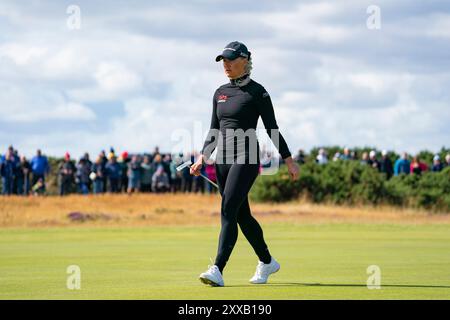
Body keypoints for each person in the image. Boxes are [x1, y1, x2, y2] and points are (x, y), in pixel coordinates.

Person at [190, 41, 299, 287]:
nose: (226, 65)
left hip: (247, 158)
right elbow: (213, 130)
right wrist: (202, 158)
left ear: (245, 60)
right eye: (223, 61)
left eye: (230, 60)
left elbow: (272, 129)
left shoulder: (258, 92)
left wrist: (289, 160)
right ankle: (267, 261)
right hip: (223, 161)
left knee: (228, 209)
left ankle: (217, 269)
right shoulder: (219, 93)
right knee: (242, 215)